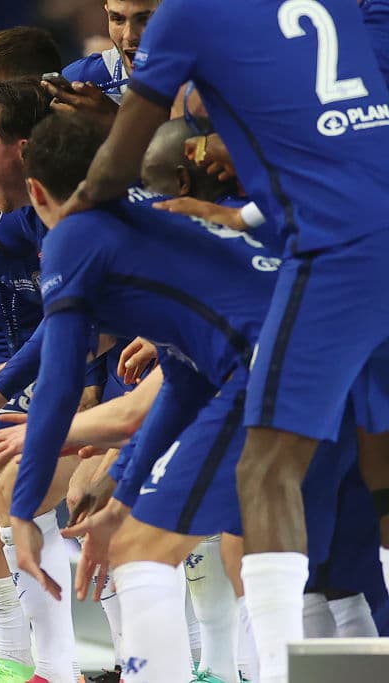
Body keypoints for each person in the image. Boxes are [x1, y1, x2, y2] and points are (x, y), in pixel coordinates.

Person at [56, 2, 389, 681]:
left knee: (261, 473)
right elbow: (332, 154)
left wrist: (71, 217)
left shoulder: (191, 20)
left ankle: (275, 671)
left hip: (345, 254)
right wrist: (239, 217)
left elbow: (117, 169)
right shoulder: (335, 11)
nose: (131, 31)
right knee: (378, 472)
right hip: (355, 228)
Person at [44, 0, 159, 128]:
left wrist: (114, 122)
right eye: (117, 19)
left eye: (144, 20)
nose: (129, 36)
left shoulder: (185, 83)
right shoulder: (79, 79)